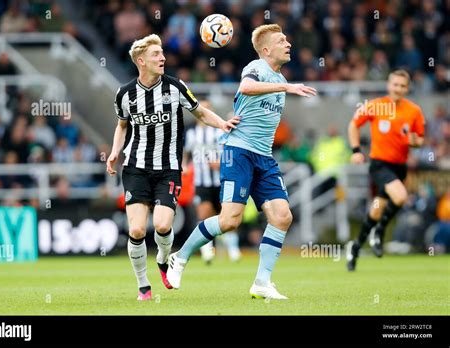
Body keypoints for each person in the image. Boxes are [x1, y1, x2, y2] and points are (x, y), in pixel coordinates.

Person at [167, 24, 316, 300]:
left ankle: (262, 282)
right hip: (239, 152)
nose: (288, 44)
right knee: (230, 221)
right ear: (266, 49)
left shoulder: (278, 80)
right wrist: (286, 86)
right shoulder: (257, 67)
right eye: (282, 40)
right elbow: (246, 87)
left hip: (264, 157)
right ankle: (180, 256)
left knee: (282, 216)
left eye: (287, 39)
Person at [106, 34, 239, 301]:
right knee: (136, 230)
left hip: (168, 169)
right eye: (156, 54)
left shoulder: (175, 87)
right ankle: (143, 285)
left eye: (163, 53)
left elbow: (200, 111)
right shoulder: (125, 94)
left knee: (163, 225)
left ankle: (163, 260)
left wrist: (222, 124)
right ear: (141, 61)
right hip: (135, 168)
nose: (163, 57)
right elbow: (122, 127)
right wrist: (113, 152)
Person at [346, 70, 425, 271]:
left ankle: (355, 248)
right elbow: (354, 125)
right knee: (400, 197)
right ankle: (379, 232)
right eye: (395, 84)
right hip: (379, 164)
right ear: (389, 85)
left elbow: (419, 139)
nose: (398, 88)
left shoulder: (413, 111)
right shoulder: (375, 105)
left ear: (407, 89)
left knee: (376, 210)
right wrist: (356, 151)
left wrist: (414, 141)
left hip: (400, 166)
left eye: (402, 85)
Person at [185, 103, 241, 264]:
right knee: (204, 214)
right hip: (201, 182)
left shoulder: (218, 130)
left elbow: (230, 152)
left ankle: (233, 250)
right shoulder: (191, 134)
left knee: (227, 216)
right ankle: (208, 252)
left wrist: (221, 163)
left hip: (221, 180)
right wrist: (184, 167)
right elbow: (187, 154)